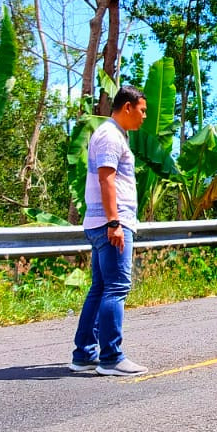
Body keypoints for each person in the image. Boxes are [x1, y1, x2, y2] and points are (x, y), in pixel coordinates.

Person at [70, 86, 149, 376]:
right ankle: (111, 357)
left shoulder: (110, 134)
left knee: (101, 288)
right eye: (141, 111)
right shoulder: (110, 135)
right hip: (111, 224)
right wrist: (115, 222)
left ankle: (84, 355)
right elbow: (107, 179)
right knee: (116, 288)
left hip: (101, 223)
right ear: (127, 107)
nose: (143, 117)